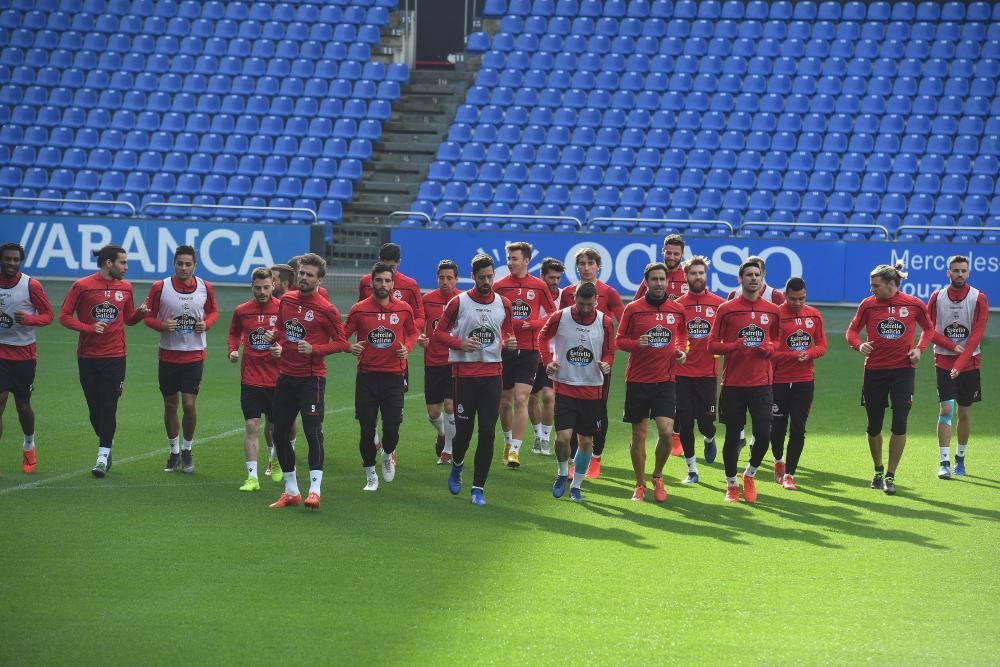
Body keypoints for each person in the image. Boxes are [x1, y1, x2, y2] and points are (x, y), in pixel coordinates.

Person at [846, 262, 961, 496]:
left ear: (891, 284)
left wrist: (919, 349)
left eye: (876, 285)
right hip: (874, 372)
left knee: (900, 422)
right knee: (874, 425)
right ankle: (877, 469)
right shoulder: (867, 306)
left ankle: (890, 475)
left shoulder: (913, 304)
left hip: (903, 372)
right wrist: (859, 345)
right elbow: (851, 332)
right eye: (871, 285)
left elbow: (929, 329)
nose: (872, 290)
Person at [433, 253, 516, 506]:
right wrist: (460, 343)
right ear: (472, 277)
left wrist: (511, 343)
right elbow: (438, 333)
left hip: (492, 375)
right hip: (464, 376)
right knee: (464, 434)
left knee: (488, 433)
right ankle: (457, 465)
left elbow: (508, 332)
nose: (487, 281)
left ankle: (478, 488)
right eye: (482, 277)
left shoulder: (504, 303)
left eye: (491, 276)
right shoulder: (458, 303)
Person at [267, 253, 349, 510]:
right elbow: (282, 327)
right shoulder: (287, 300)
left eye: (309, 275)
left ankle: (315, 490)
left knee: (312, 432)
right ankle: (291, 490)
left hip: (311, 379)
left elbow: (343, 343)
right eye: (301, 273)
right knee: (279, 433)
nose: (303, 278)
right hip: (286, 376)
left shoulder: (327, 309)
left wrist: (315, 349)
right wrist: (275, 336)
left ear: (319, 280)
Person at [59, 244, 148, 477]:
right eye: (123, 263)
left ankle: (102, 456)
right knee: (94, 410)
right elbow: (64, 317)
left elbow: (128, 319)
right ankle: (107, 444)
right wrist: (88, 327)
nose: (126, 267)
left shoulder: (126, 288)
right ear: (109, 263)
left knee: (109, 406)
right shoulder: (82, 286)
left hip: (116, 357)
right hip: (88, 357)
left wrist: (139, 314)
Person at [708, 259, 781, 503]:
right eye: (748, 274)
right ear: (740, 279)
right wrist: (733, 347)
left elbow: (778, 341)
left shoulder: (772, 310)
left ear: (762, 278)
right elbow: (712, 345)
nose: (753, 278)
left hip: (761, 383)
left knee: (763, 434)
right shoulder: (726, 309)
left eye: (756, 274)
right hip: (733, 385)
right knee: (732, 437)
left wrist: (770, 348)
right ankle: (731, 485)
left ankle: (750, 475)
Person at [616, 263, 688, 502]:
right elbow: (620, 341)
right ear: (646, 282)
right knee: (639, 435)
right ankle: (639, 483)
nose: (659, 283)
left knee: (667, 432)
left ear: (668, 282)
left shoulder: (677, 309)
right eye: (654, 279)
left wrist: (680, 350)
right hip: (637, 381)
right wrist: (637, 343)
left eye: (662, 279)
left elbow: (682, 335)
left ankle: (657, 475)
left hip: (665, 381)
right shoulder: (633, 309)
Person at [143, 245, 218, 474]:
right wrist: (161, 325)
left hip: (194, 354)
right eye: (180, 263)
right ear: (174, 264)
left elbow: (214, 312)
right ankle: (174, 450)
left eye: (188, 264)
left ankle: (187, 448)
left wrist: (208, 324)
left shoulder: (206, 287)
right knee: (170, 404)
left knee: (189, 404)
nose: (184, 268)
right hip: (168, 354)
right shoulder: (160, 287)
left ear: (195, 265)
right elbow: (148, 317)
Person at [345, 262, 419, 492]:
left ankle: (387, 454)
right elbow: (340, 335)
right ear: (371, 282)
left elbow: (413, 332)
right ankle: (370, 476)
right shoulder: (359, 310)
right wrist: (350, 347)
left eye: (387, 281)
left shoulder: (404, 309)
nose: (383, 284)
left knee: (392, 429)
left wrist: (407, 347)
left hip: (394, 377)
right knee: (367, 430)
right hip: (367, 377)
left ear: (393, 284)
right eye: (379, 280)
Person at [539, 281, 615, 502]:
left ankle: (577, 485)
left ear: (597, 301)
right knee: (563, 439)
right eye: (581, 303)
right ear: (574, 299)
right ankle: (563, 473)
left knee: (586, 441)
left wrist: (607, 363)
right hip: (565, 386)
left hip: (592, 389)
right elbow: (542, 337)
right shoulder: (560, 317)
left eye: (589, 304)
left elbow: (611, 350)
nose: (585, 308)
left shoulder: (605, 322)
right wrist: (548, 361)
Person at [920, 255, 989, 479]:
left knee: (965, 412)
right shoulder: (936, 297)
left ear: (968, 273)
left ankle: (960, 458)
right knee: (946, 410)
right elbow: (928, 331)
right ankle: (944, 462)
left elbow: (977, 335)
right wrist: (950, 346)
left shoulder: (978, 298)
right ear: (948, 273)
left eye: (963, 271)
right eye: (955, 270)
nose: (960, 274)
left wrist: (960, 363)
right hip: (943, 361)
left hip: (969, 363)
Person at [559, 247, 625, 478]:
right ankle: (575, 460)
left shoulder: (610, 293)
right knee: (572, 411)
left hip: (597, 366)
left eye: (590, 263)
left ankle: (596, 457)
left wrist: (608, 353)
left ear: (598, 266)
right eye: (582, 264)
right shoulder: (567, 293)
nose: (586, 268)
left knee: (598, 410)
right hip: (572, 363)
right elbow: (559, 325)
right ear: (577, 267)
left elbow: (623, 324)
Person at [494, 241, 557, 469]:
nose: (510, 263)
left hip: (530, 350)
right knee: (505, 401)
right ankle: (507, 441)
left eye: (515, 259)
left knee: (521, 399)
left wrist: (534, 324)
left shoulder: (539, 286)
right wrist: (503, 338)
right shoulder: (499, 287)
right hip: (506, 350)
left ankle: (515, 451)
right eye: (509, 258)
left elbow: (553, 314)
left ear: (526, 261)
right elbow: (490, 317)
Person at [228, 267, 283, 491]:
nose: (262, 292)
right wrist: (232, 350)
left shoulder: (284, 309)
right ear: (252, 286)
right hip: (251, 379)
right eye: (258, 288)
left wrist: (283, 349)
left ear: (274, 286)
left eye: (266, 287)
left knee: (275, 428)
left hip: (278, 380)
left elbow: (295, 335)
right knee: (252, 425)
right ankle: (252, 478)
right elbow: (233, 333)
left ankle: (276, 459)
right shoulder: (242, 311)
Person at [0, 242, 53, 473]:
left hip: (24, 354)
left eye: (16, 260)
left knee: (23, 405)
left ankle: (29, 443)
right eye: (7, 259)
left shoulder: (31, 285)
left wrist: (30, 320)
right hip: (1, 350)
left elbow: (49, 316)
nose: (12, 263)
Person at [769, 277, 827, 491]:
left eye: (802, 298)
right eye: (793, 299)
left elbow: (822, 346)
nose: (798, 303)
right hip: (778, 380)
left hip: (804, 380)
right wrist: (791, 356)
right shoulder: (775, 315)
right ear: (785, 295)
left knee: (798, 428)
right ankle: (778, 461)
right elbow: (769, 351)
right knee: (777, 428)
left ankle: (790, 475)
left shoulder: (814, 314)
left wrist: (809, 353)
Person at [675, 256, 724, 480]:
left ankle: (709, 439)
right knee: (684, 423)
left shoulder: (719, 305)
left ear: (706, 276)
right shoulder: (677, 306)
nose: (697, 277)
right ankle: (692, 469)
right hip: (681, 375)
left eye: (701, 273)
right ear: (686, 276)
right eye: (693, 273)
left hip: (707, 375)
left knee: (706, 424)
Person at [418, 259, 459, 464]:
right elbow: (418, 324)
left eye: (449, 278)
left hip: (454, 362)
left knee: (450, 406)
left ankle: (448, 450)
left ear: (456, 279)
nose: (445, 281)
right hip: (432, 362)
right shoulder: (427, 299)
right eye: (441, 278)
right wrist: (420, 337)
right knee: (434, 413)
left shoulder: (462, 299)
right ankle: (443, 433)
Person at [528, 257, 565, 455]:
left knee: (549, 396)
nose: (555, 281)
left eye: (558, 277)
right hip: (533, 351)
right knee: (532, 397)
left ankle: (545, 438)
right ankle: (537, 434)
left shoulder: (565, 297)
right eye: (551, 277)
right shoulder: (533, 295)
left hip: (555, 354)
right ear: (541, 276)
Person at [633, 234, 688, 300]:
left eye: (676, 254)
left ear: (682, 254)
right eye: (669, 253)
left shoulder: (688, 278)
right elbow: (634, 305)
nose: (671, 257)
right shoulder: (652, 275)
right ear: (663, 251)